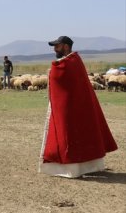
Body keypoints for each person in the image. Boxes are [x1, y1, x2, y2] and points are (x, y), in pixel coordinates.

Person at [39, 36, 117, 178]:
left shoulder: (71, 62)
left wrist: (53, 71)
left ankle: (72, 169)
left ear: (66, 46)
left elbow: (61, 77)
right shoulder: (71, 61)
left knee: (70, 134)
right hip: (68, 105)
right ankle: (78, 168)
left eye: (57, 46)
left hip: (72, 106)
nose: (54, 49)